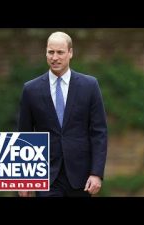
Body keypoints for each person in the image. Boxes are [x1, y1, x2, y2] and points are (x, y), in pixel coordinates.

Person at [18, 31, 108, 197]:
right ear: (45, 52)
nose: (55, 57)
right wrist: (24, 180)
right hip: (46, 176)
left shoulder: (89, 86)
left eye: (60, 52)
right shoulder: (30, 89)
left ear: (70, 53)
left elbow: (99, 132)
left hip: (81, 177)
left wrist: (96, 173)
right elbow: (25, 134)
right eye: (51, 52)